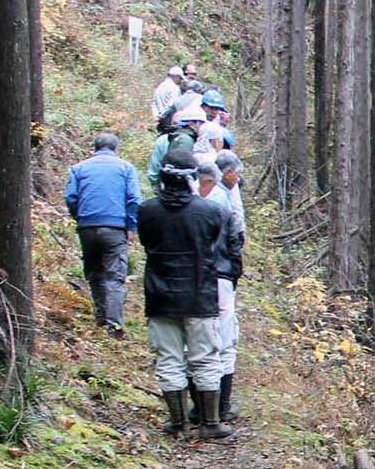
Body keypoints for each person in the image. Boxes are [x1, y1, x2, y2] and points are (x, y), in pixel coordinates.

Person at [138, 149, 240, 439]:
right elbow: (218, 243)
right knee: (206, 357)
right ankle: (210, 423)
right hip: (200, 295)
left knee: (169, 358)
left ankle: (178, 423)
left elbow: (147, 243)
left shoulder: (147, 211)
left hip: (160, 296)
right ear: (192, 178)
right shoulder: (211, 212)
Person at [62, 133, 141, 335]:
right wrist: (130, 227)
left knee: (94, 273)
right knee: (115, 276)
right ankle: (113, 326)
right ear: (116, 148)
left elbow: (71, 198)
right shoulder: (125, 168)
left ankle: (100, 316)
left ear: (95, 148)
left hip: (87, 227)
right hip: (115, 228)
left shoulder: (79, 168)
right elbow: (133, 199)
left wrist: (80, 218)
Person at [197, 157, 246, 424]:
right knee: (223, 340)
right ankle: (219, 409)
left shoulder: (196, 203)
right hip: (219, 276)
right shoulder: (220, 204)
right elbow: (234, 238)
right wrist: (233, 271)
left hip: (204, 277)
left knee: (199, 344)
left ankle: (204, 410)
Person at [148, 102, 212, 187]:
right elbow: (183, 168)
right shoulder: (186, 141)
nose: (202, 127)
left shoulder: (181, 138)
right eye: (201, 123)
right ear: (191, 124)